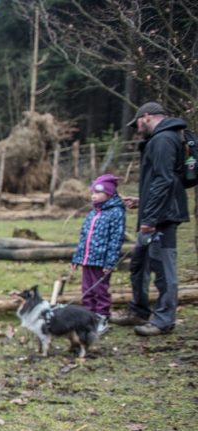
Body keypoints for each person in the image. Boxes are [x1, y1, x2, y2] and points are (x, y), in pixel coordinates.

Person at [112, 102, 190, 336]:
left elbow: (164, 180)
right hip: (155, 213)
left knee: (163, 268)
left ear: (146, 117)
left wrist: (151, 218)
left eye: (136, 123)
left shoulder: (163, 139)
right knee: (139, 264)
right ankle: (139, 310)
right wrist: (142, 200)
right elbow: (164, 180)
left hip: (162, 218)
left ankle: (164, 320)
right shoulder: (162, 139)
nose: (137, 128)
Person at [70, 174, 126, 319]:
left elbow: (116, 240)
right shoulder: (93, 213)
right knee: (86, 289)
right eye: (92, 193)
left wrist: (110, 263)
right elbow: (83, 238)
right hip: (87, 260)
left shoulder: (116, 213)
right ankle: (88, 316)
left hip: (101, 262)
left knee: (100, 289)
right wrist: (77, 259)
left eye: (98, 192)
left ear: (109, 193)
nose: (93, 196)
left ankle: (102, 316)